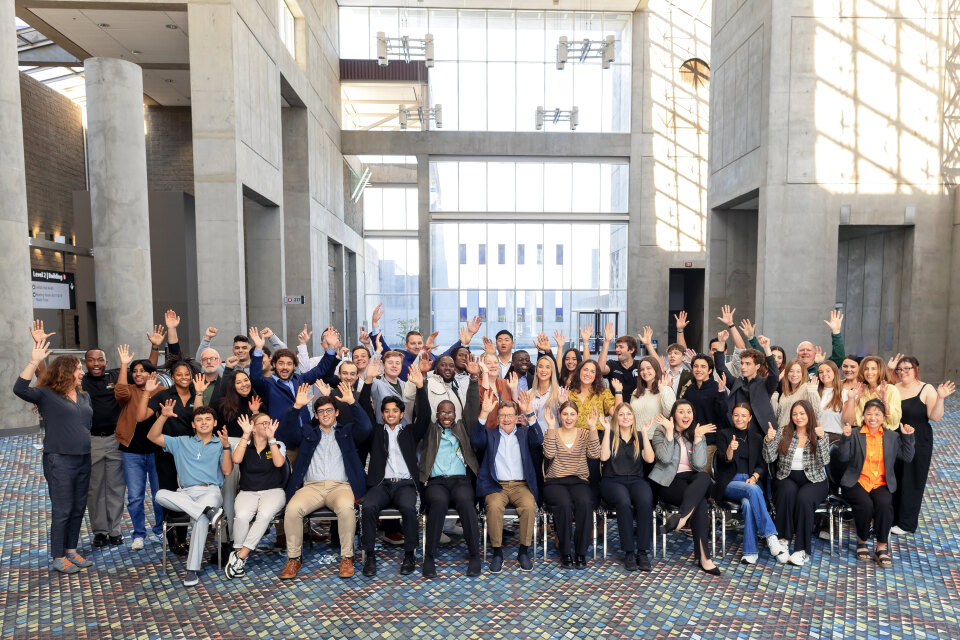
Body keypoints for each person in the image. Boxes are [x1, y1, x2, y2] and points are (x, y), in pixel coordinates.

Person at [277, 382, 372, 579]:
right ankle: (293, 558)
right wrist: (296, 408)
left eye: (329, 410)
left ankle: (347, 557)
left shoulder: (347, 432)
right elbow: (285, 433)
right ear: (316, 415)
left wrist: (353, 402)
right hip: (312, 487)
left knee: (347, 509)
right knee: (292, 510)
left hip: (341, 486)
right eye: (321, 412)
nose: (325, 414)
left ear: (337, 413)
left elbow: (366, 427)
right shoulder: (307, 433)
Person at [15, 339, 94, 574]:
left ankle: (71, 550)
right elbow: (20, 389)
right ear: (67, 371)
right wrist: (34, 360)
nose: (83, 372)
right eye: (79, 368)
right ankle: (58, 556)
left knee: (79, 507)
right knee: (63, 509)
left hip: (83, 458)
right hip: (59, 459)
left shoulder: (84, 396)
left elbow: (86, 424)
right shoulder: (46, 395)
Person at [358, 365, 432, 577]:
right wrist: (369, 381)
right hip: (381, 484)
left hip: (405, 484)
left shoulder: (409, 432)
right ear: (382, 414)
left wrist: (420, 387)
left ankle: (410, 554)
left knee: (409, 509)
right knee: (369, 507)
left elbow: (425, 416)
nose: (390, 414)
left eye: (395, 411)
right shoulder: (376, 432)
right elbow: (364, 406)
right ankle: (369, 555)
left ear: (401, 415)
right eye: (387, 411)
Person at [148, 403, 232, 587]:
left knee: (200, 518)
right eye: (199, 420)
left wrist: (226, 447)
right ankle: (209, 512)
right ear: (193, 424)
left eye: (208, 419)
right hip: (185, 493)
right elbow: (152, 436)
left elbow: (226, 471)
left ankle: (191, 570)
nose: (204, 423)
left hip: (211, 491)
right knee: (160, 494)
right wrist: (163, 416)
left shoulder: (221, 444)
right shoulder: (181, 442)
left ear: (215, 423)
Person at [418, 360, 482, 578]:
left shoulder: (461, 429)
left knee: (466, 503)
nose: (446, 416)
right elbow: (421, 407)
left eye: (450, 413)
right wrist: (423, 379)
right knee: (438, 503)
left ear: (455, 416)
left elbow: (472, 410)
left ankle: (475, 556)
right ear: (437, 415)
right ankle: (429, 558)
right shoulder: (429, 430)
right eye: (442, 413)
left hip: (460, 480)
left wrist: (474, 380)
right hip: (436, 482)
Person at [836, 398, 915, 568]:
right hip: (856, 481)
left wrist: (908, 438)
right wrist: (846, 438)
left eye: (877, 414)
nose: (873, 417)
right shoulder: (855, 434)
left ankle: (881, 547)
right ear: (863, 415)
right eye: (869, 413)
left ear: (883, 418)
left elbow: (907, 457)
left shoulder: (892, 437)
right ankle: (862, 541)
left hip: (880, 482)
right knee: (865, 505)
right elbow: (842, 457)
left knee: (885, 503)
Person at [472, 391, 543, 573]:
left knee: (529, 507)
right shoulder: (489, 434)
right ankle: (497, 552)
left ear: (516, 417)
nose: (506, 419)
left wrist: (529, 413)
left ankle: (523, 552)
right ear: (497, 417)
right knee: (494, 508)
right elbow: (476, 440)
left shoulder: (525, 433)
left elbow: (539, 440)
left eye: (510, 415)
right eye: (502, 415)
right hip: (497, 486)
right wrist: (483, 414)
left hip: (521, 485)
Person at [649, 401, 719, 575]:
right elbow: (664, 459)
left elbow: (699, 464)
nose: (686, 415)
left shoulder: (696, 432)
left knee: (703, 476)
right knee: (700, 504)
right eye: (682, 412)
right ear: (674, 414)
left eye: (689, 411)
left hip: (693, 479)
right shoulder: (660, 431)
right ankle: (705, 558)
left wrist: (697, 438)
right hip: (669, 481)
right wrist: (669, 433)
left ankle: (680, 518)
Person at [713, 403, 787, 564]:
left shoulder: (756, 438)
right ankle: (771, 536)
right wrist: (730, 450)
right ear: (732, 417)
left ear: (750, 418)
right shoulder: (723, 435)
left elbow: (762, 464)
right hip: (729, 482)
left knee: (748, 504)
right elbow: (722, 462)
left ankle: (750, 551)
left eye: (743, 415)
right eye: (736, 415)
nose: (739, 419)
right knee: (753, 491)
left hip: (749, 481)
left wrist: (754, 477)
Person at [889, 357, 955, 535]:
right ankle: (892, 517)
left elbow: (935, 417)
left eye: (907, 368)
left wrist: (940, 398)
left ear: (916, 369)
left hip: (919, 440)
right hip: (896, 439)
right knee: (894, 477)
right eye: (900, 370)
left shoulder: (926, 389)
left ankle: (906, 523)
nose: (903, 372)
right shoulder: (894, 388)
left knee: (912, 480)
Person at [763, 399, 830, 566]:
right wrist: (769, 441)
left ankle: (801, 549)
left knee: (804, 499)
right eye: (795, 414)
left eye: (802, 413)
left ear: (809, 415)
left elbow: (824, 461)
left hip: (814, 480)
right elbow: (769, 458)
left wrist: (821, 439)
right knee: (786, 492)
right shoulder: (783, 432)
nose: (798, 417)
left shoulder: (819, 433)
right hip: (787, 476)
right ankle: (783, 541)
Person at [223, 413, 287, 579]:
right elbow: (236, 459)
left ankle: (241, 555)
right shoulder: (245, 445)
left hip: (273, 491)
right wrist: (245, 435)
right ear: (253, 427)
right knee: (242, 516)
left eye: (269, 422)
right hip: (248, 491)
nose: (267, 425)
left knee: (264, 515)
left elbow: (279, 463)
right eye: (263, 423)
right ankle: (238, 557)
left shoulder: (278, 444)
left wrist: (271, 438)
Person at [113, 346, 165, 550]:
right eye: (134, 372)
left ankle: (161, 530)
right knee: (135, 496)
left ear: (152, 373)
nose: (137, 374)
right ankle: (138, 534)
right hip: (131, 452)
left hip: (156, 451)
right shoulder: (129, 392)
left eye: (142, 370)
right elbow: (120, 391)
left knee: (159, 494)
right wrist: (125, 364)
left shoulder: (161, 392)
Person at [147, 358, 200, 555]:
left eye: (187, 374)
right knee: (169, 492)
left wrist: (200, 394)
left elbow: (200, 418)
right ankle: (172, 539)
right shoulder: (163, 396)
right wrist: (147, 391)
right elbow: (141, 416)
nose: (184, 378)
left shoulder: (197, 394)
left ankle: (183, 537)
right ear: (172, 376)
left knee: (186, 492)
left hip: (190, 453)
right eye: (179, 374)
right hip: (166, 452)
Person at [542, 402, 601, 569]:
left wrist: (593, 429)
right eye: (565, 414)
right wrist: (551, 427)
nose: (568, 418)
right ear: (560, 415)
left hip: (578, 480)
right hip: (555, 481)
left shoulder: (584, 433)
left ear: (577, 416)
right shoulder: (551, 432)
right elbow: (549, 454)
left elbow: (595, 454)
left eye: (572, 414)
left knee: (584, 503)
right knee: (564, 504)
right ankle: (566, 551)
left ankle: (581, 552)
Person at [248, 325, 340, 428]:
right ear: (274, 364)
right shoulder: (268, 385)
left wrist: (331, 348)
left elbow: (320, 369)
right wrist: (258, 349)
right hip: (282, 437)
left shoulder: (300, 380)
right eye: (281, 363)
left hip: (305, 435)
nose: (285, 367)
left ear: (294, 366)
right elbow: (255, 377)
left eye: (289, 364)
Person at [599, 403, 655, 571]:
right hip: (612, 481)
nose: (625, 417)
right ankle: (629, 552)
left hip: (636, 480)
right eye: (621, 414)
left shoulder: (638, 435)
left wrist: (644, 434)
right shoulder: (610, 435)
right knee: (623, 502)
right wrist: (607, 430)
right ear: (616, 417)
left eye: (628, 414)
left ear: (633, 417)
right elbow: (603, 457)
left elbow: (650, 459)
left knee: (646, 500)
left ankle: (643, 552)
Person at [714, 333, 779, 437]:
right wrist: (721, 342)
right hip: (737, 433)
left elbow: (775, 374)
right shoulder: (737, 383)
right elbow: (720, 367)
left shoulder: (765, 384)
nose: (743, 367)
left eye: (748, 364)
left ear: (757, 366)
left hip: (761, 434)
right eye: (742, 363)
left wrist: (766, 348)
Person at [680, 353, 729, 475]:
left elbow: (722, 413)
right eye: (695, 366)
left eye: (703, 366)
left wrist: (722, 392)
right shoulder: (690, 389)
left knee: (703, 475)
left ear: (710, 370)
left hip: (709, 441)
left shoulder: (717, 387)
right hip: (690, 439)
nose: (698, 370)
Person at [195, 326, 288, 376]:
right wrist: (207, 338)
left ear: (250, 349)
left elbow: (285, 355)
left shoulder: (260, 365)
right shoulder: (224, 368)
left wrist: (272, 337)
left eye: (244, 348)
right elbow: (201, 361)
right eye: (237, 348)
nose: (240, 350)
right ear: (233, 350)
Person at [841, 356, 902, 431]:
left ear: (880, 371)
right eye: (866, 369)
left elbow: (894, 421)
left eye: (873, 369)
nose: (869, 372)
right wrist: (856, 399)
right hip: (860, 434)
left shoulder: (891, 390)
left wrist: (885, 401)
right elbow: (851, 421)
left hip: (883, 436)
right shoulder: (860, 389)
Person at [629, 356, 676, 437]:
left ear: (656, 369)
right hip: (636, 437)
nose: (645, 372)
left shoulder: (666, 390)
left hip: (656, 439)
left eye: (648, 368)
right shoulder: (636, 391)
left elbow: (670, 413)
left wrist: (663, 388)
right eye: (642, 369)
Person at [772, 359, 822, 427]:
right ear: (786, 373)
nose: (794, 375)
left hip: (799, 434)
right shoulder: (785, 392)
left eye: (798, 372)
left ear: (803, 374)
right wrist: (773, 399)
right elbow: (777, 416)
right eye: (791, 371)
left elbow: (817, 414)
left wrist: (812, 392)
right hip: (782, 433)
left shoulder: (807, 388)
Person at [568, 359, 616, 430]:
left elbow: (615, 414)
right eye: (585, 370)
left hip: (597, 436)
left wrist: (618, 392)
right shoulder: (570, 394)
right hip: (574, 436)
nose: (588, 374)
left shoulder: (603, 392)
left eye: (592, 371)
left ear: (596, 375)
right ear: (579, 372)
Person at [596, 324, 640, 400]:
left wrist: (648, 344)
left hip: (635, 408)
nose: (617, 350)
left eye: (621, 347)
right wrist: (606, 341)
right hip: (616, 408)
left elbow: (658, 370)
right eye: (617, 346)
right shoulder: (612, 364)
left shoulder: (640, 365)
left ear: (631, 350)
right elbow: (600, 369)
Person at [815, 361, 845, 443]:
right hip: (815, 437)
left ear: (835, 372)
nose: (824, 374)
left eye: (828, 371)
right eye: (821, 372)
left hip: (835, 439)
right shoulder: (814, 392)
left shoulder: (844, 393)